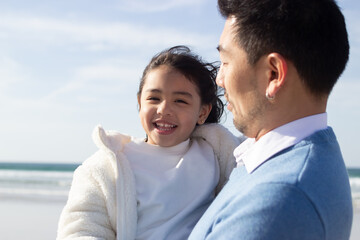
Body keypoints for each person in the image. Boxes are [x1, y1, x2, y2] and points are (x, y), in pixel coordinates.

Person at [189, 0, 353, 239]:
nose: (219, 80)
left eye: (225, 63)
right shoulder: (307, 154)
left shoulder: (276, 203)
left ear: (273, 74)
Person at [56, 46, 243, 240]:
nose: (164, 109)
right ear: (140, 102)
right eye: (154, 98)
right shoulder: (107, 167)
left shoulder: (218, 152)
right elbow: (80, 229)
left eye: (180, 101)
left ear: (202, 112)